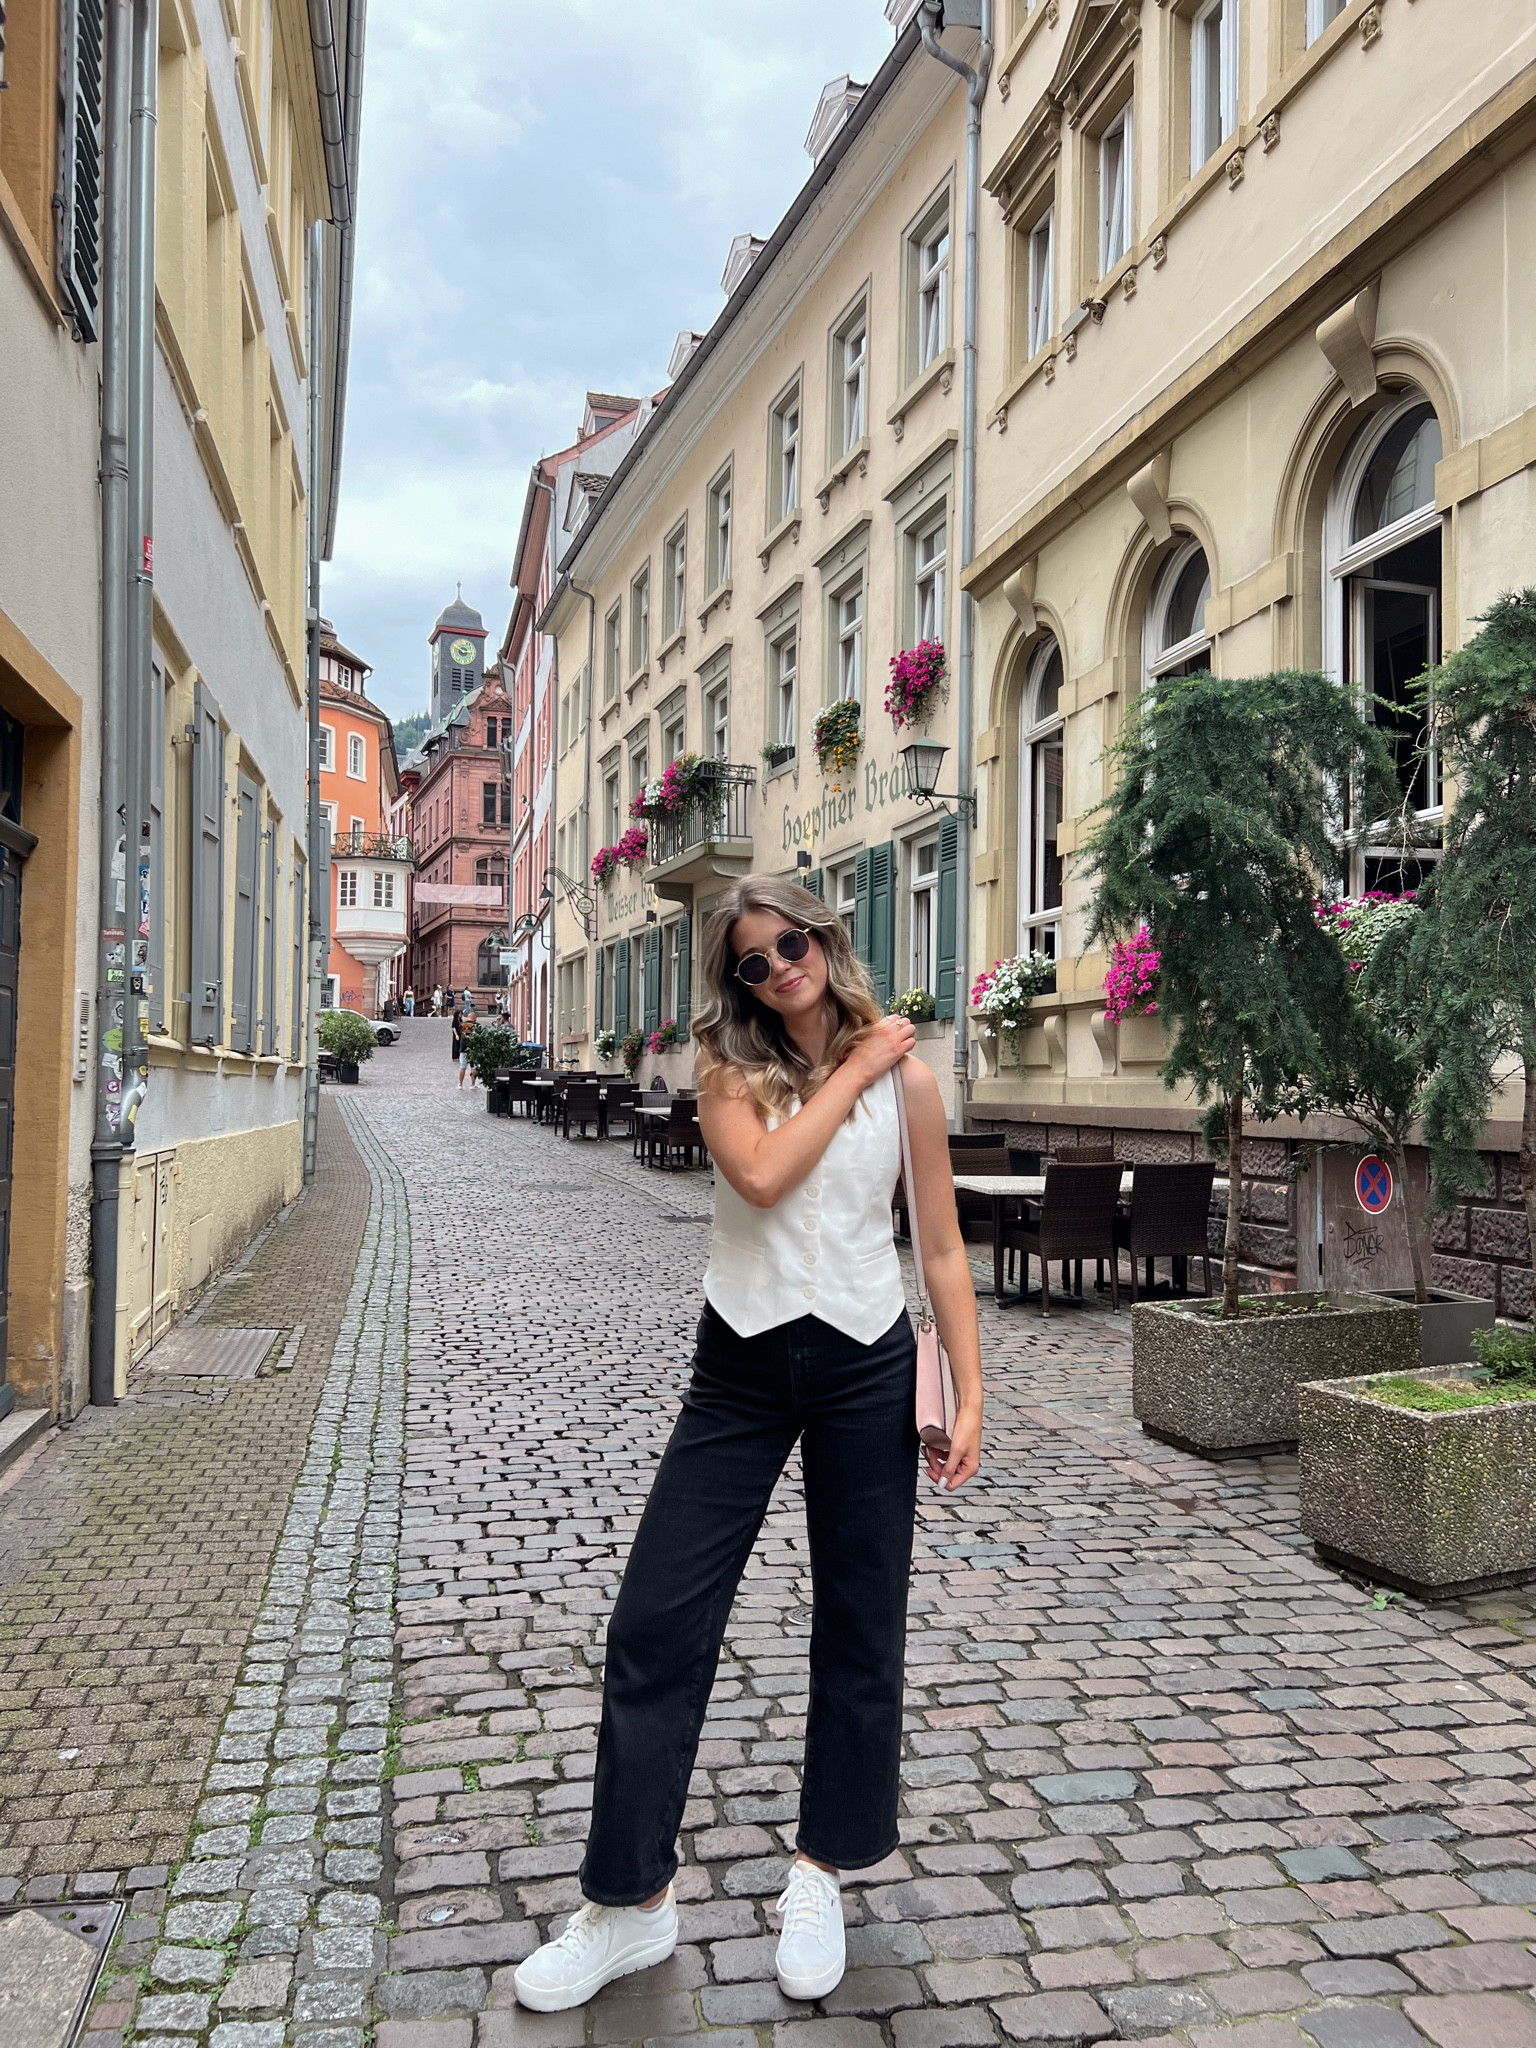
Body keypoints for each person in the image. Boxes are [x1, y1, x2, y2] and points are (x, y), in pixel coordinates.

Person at [513, 874, 983, 2015]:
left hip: (868, 1360)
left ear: (823, 936)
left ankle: (821, 1870)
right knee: (657, 1619)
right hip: (742, 1361)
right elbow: (765, 1177)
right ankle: (628, 1901)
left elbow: (943, 1247)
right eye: (752, 961)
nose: (779, 968)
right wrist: (858, 1067)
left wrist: (972, 1394)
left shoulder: (911, 1080)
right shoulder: (728, 1068)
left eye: (791, 943)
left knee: (861, 1620)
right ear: (736, 982)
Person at [457, 1000, 478, 1087]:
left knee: (462, 1066)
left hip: (463, 1048)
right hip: (473, 1049)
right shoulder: (477, 1025)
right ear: (474, 1018)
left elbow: (460, 1034)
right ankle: (472, 1084)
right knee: (473, 1067)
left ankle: (460, 1084)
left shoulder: (462, 1025)